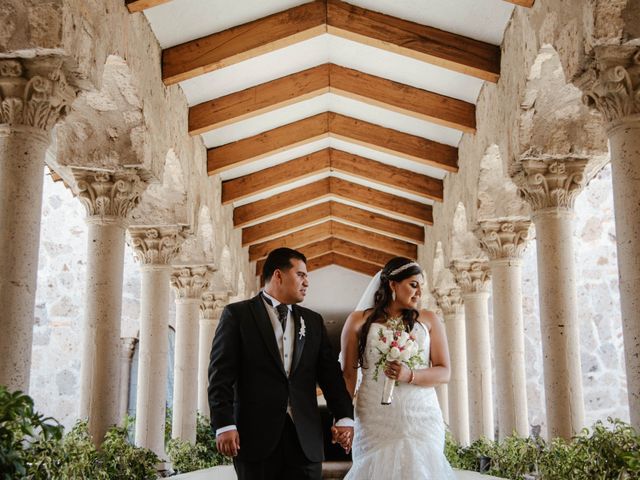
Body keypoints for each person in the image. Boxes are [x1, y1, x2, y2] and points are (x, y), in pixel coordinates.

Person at [208, 247, 354, 480]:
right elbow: (220, 375)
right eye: (301, 275)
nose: (307, 282)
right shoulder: (238, 315)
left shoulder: (313, 321)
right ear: (278, 275)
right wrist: (224, 424)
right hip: (255, 438)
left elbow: (330, 376)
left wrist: (344, 417)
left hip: (305, 440)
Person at [340, 257, 456, 479]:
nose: (419, 293)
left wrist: (409, 374)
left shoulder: (429, 320)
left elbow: (444, 371)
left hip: (421, 416)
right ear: (392, 284)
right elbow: (348, 375)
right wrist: (345, 420)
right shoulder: (357, 321)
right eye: (413, 284)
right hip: (375, 417)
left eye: (421, 286)